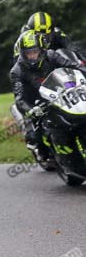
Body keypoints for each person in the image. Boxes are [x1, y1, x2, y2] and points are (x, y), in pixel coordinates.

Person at [10, 30, 83, 159]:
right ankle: (42, 152)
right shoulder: (17, 71)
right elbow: (20, 98)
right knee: (34, 135)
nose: (32, 56)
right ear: (22, 54)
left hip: (56, 94)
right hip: (35, 102)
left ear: (42, 50)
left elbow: (71, 66)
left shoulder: (51, 55)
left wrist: (82, 71)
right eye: (28, 53)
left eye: (35, 51)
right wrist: (30, 110)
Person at [13, 11, 82, 59]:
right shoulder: (22, 42)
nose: (44, 39)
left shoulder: (57, 33)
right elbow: (18, 65)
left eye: (47, 35)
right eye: (39, 36)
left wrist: (82, 61)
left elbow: (72, 48)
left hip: (61, 67)